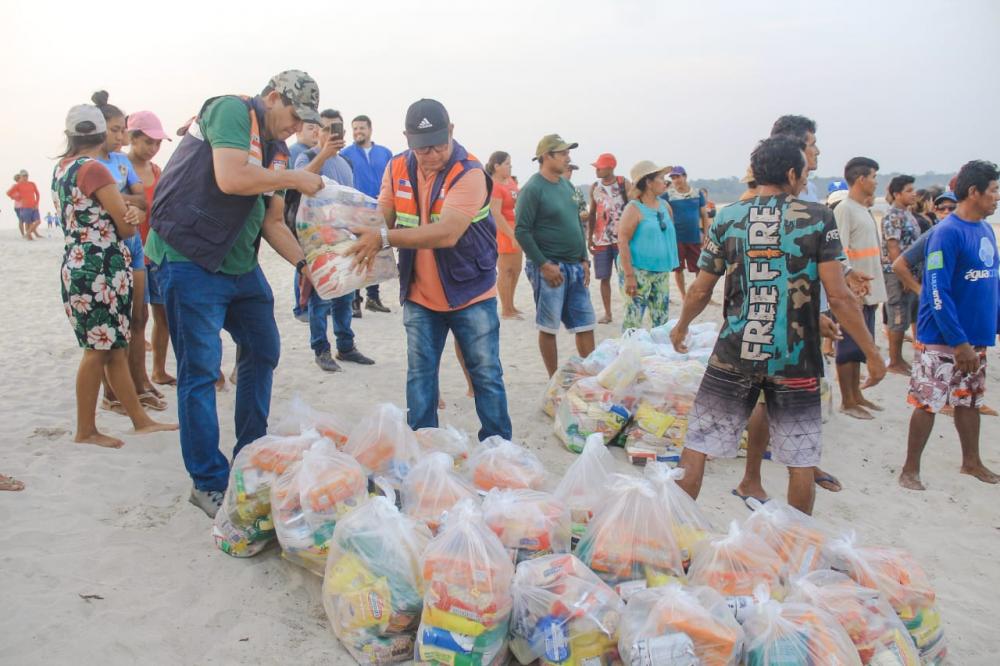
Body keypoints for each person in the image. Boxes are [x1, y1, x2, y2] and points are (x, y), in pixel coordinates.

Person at [670, 136, 885, 515]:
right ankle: (794, 548)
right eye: (804, 170)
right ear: (791, 173)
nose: (805, 178)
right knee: (799, 460)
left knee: (699, 444)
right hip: (795, 358)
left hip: (735, 351)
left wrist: (682, 326)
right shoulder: (818, 217)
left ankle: (676, 531)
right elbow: (839, 296)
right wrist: (872, 351)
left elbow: (701, 289)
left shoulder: (728, 217)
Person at [145, 70, 325, 517]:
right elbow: (230, 177)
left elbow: (273, 221)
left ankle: (250, 453)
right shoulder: (231, 110)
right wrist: (297, 179)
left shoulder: (279, 151)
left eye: (305, 118)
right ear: (271, 97)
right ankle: (207, 480)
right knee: (201, 370)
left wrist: (307, 266)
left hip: (240, 265)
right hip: (190, 258)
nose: (295, 125)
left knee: (263, 348)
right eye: (293, 114)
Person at [348, 98, 511, 440]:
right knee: (420, 376)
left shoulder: (469, 172)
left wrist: (382, 237)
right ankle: (422, 447)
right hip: (420, 295)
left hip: (471, 292)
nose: (431, 154)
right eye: (422, 148)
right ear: (407, 138)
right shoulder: (396, 168)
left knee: (485, 373)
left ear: (451, 131)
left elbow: (448, 232)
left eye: (438, 144)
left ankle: (498, 447)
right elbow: (382, 217)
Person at [53, 104, 177, 449]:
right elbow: (125, 224)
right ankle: (86, 429)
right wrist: (134, 212)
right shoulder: (94, 170)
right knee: (97, 351)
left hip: (80, 265)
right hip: (101, 268)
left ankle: (140, 420)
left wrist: (129, 211)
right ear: (101, 133)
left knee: (114, 348)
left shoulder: (63, 169)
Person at [899, 160, 1000, 490]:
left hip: (975, 337)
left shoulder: (985, 229)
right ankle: (910, 469)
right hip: (943, 339)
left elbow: (989, 282)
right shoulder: (946, 233)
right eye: (994, 190)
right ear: (974, 192)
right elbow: (938, 292)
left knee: (969, 400)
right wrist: (959, 343)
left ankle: (971, 462)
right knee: (928, 401)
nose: (998, 197)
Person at [90, 92, 166, 413]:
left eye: (122, 129)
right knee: (114, 325)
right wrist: (123, 202)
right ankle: (113, 392)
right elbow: (102, 205)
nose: (119, 137)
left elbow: (142, 202)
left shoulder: (121, 164)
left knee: (138, 319)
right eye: (115, 130)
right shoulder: (90, 165)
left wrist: (118, 201)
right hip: (109, 247)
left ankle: (139, 382)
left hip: (138, 246)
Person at [295, 109, 375, 371]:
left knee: (345, 296)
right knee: (321, 299)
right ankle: (321, 349)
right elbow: (299, 182)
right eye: (327, 129)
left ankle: (346, 347)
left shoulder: (346, 163)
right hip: (318, 239)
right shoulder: (306, 157)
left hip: (345, 235)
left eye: (336, 129)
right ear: (317, 131)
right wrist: (323, 154)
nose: (332, 134)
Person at [515, 134, 596, 377]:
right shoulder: (532, 189)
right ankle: (553, 379)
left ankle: (590, 375)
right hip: (551, 267)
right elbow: (522, 230)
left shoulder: (567, 185)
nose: (568, 157)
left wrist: (584, 259)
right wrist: (543, 264)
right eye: (562, 153)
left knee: (586, 324)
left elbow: (575, 223)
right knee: (549, 327)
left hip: (575, 266)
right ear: (546, 156)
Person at [833, 157, 888, 420]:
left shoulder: (862, 209)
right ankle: (847, 399)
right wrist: (848, 284)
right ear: (861, 179)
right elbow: (837, 251)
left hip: (869, 290)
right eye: (874, 176)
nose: (877, 182)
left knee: (859, 346)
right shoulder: (844, 209)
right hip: (854, 292)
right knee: (848, 346)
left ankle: (857, 395)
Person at [127, 111, 175, 389]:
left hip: (157, 251)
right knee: (138, 319)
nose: (153, 149)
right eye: (148, 142)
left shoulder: (157, 171)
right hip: (133, 252)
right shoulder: (122, 170)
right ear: (132, 138)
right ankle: (139, 378)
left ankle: (158, 370)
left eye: (157, 143)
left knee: (163, 315)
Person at [616, 161, 678, 329]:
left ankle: (656, 354)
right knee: (633, 319)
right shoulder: (634, 209)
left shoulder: (665, 206)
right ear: (648, 182)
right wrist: (629, 276)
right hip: (637, 271)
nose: (665, 182)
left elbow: (666, 235)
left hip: (661, 270)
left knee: (661, 318)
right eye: (660, 178)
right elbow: (622, 241)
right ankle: (630, 353)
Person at [342, 114, 394, 315]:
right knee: (356, 252)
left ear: (370, 129)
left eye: (361, 128)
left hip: (379, 210)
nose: (358, 132)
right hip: (354, 212)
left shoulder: (385, 153)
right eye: (354, 128)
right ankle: (355, 300)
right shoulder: (346, 154)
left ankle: (373, 297)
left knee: (378, 252)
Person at [881, 175, 921, 375]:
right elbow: (893, 247)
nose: (914, 193)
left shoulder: (908, 214)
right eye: (908, 190)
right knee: (897, 314)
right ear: (897, 194)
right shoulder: (893, 216)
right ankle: (894, 361)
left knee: (906, 316)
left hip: (909, 273)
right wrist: (904, 276)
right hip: (897, 274)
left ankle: (899, 359)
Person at [587, 153, 630, 324]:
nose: (596, 169)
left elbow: (634, 205)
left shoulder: (622, 183)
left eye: (600, 166)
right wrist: (589, 237)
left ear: (611, 167)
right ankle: (608, 313)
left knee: (626, 275)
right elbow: (592, 213)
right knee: (604, 277)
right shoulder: (595, 187)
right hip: (601, 239)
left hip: (622, 238)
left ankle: (629, 308)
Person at [286, 120, 321, 322]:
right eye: (310, 128)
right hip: (298, 215)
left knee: (305, 262)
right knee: (300, 262)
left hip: (308, 216)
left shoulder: (307, 151)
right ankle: (301, 306)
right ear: (298, 130)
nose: (314, 132)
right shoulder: (296, 152)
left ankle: (303, 305)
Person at [486, 151, 524, 319]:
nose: (510, 166)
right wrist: (510, 235)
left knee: (516, 269)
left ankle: (512, 304)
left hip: (516, 226)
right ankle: (506, 309)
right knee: (506, 270)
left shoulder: (510, 182)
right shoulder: (494, 185)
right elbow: (495, 213)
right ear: (497, 166)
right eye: (507, 163)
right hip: (503, 229)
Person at [661, 166, 707, 300]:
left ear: (685, 176)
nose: (676, 180)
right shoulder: (668, 195)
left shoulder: (697, 193)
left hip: (694, 237)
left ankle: (699, 293)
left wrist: (706, 234)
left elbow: (704, 215)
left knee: (699, 267)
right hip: (676, 238)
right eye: (673, 178)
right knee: (678, 268)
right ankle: (683, 295)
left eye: (678, 176)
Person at [7, 170, 43, 240]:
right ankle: (28, 236)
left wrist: (37, 203)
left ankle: (28, 233)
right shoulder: (17, 185)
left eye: (26, 175)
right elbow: (8, 193)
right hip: (23, 207)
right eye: (23, 176)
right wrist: (16, 198)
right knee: (26, 222)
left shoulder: (32, 184)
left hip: (33, 206)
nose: (25, 177)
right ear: (20, 177)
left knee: (37, 221)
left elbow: (37, 194)